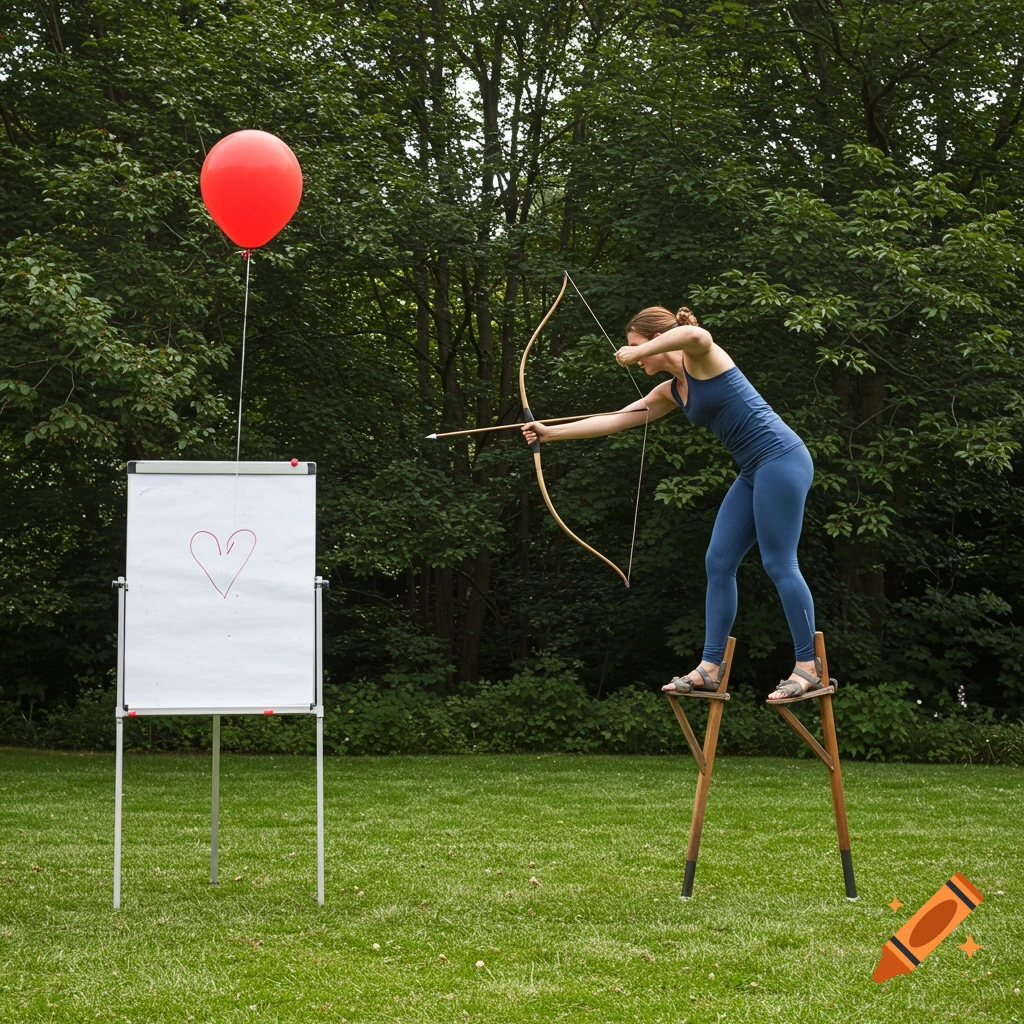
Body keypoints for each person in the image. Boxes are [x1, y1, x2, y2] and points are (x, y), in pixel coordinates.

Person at [521, 305, 822, 700]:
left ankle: (807, 667)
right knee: (717, 562)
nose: (628, 355)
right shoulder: (670, 391)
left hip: (781, 459)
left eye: (633, 347)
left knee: (778, 562)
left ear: (656, 341)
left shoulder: (701, 358)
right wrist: (550, 433)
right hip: (753, 471)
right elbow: (615, 419)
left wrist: (639, 351)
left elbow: (698, 336)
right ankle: (710, 667)